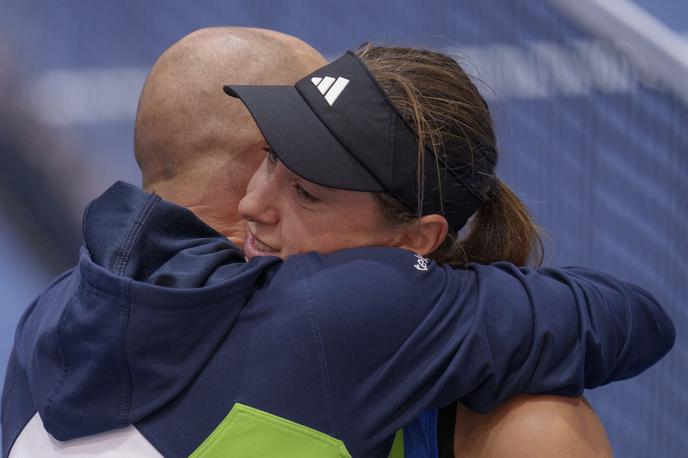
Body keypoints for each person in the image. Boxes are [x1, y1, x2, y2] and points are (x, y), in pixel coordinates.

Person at [1, 30, 674, 458]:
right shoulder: (345, 314)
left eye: (307, 190)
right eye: (271, 161)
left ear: (416, 237)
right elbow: (628, 318)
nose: (252, 203)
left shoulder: (57, 311)